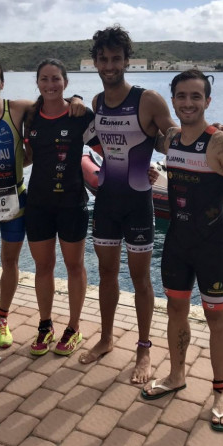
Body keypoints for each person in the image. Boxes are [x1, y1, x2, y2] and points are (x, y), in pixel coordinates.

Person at [141, 70, 223, 433]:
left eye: (196, 96)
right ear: (173, 100)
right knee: (175, 309)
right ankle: (177, 375)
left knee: (215, 319)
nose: (188, 103)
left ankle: (221, 391)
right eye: (181, 96)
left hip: (212, 246)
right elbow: (144, 135)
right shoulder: (172, 139)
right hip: (177, 244)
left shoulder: (221, 144)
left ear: (207, 101)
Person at [0, 59, 85, 358]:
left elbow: (53, 102)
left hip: (18, 198)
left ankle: (2, 319)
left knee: (10, 262)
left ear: (3, 82)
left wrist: (77, 99)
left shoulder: (19, 108)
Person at [78, 25, 178, 384]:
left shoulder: (148, 99)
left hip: (138, 204)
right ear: (95, 62)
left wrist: (207, 136)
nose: (109, 65)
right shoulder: (97, 103)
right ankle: (105, 339)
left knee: (140, 280)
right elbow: (105, 147)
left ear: (126, 60)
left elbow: (170, 138)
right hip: (105, 201)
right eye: (103, 59)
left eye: (115, 58)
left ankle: (144, 348)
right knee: (106, 275)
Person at [24, 59, 100, 357]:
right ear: (38, 82)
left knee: (74, 266)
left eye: (56, 79)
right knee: (43, 267)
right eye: (44, 79)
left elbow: (108, 149)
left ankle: (73, 327)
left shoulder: (81, 114)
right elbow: (30, 156)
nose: (50, 84)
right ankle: (45, 325)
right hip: (38, 203)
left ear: (65, 82)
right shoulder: (31, 116)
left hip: (72, 203)